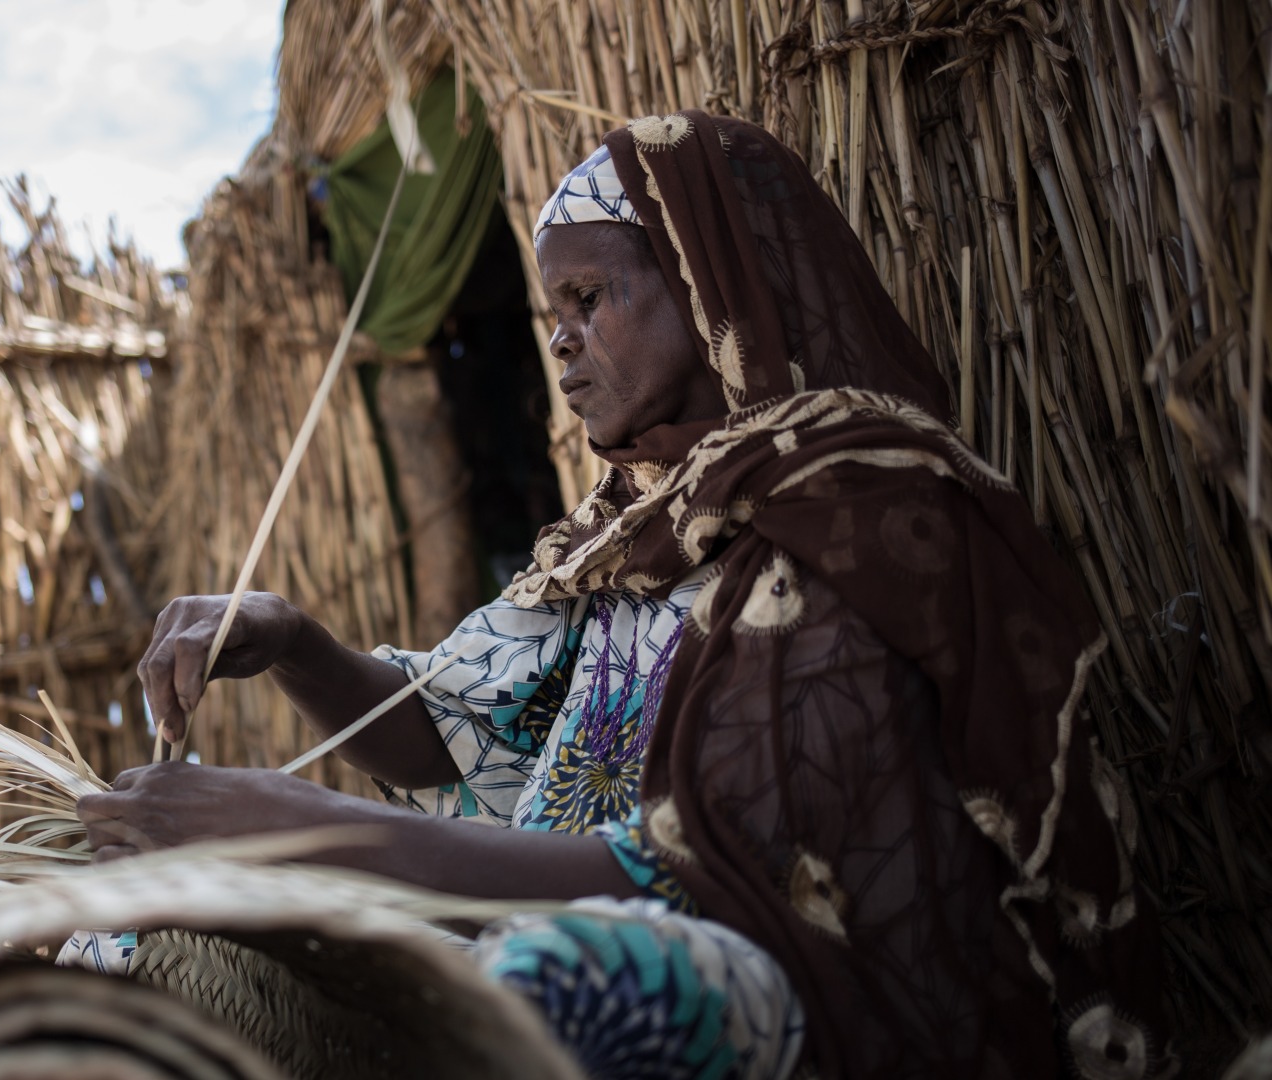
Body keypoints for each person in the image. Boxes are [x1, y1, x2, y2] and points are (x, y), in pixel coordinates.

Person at [76, 111, 1169, 1079]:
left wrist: (311, 834)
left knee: (566, 985)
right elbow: (451, 736)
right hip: (537, 931)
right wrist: (292, 639)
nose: (558, 337)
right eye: (553, 306)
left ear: (708, 281)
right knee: (128, 941)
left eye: (590, 297)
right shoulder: (632, 533)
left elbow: (716, 879)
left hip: (773, 985)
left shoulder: (862, 512)